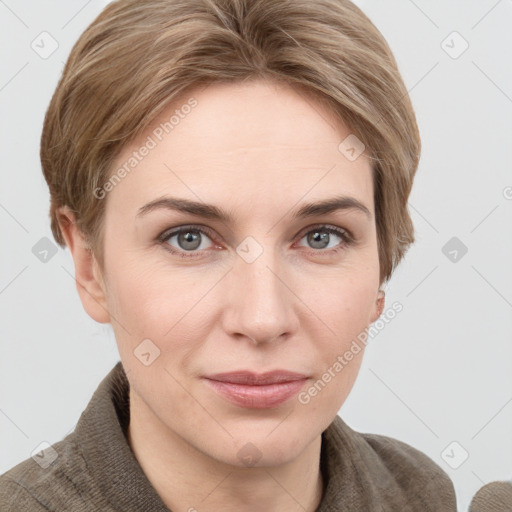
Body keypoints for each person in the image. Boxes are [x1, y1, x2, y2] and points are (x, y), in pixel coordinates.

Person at [0, 0, 458, 510]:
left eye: (321, 236)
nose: (263, 319)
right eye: (188, 238)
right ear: (90, 267)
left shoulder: (426, 497)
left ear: (381, 266)